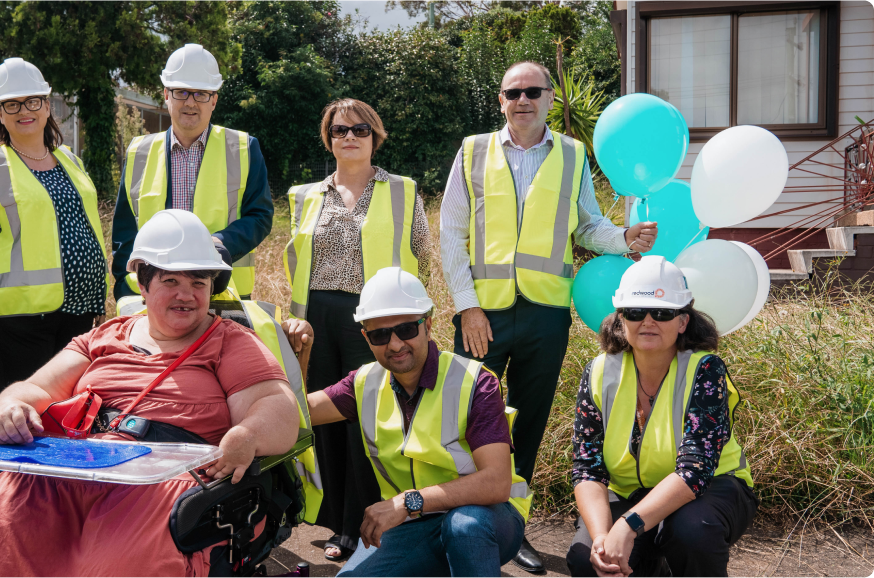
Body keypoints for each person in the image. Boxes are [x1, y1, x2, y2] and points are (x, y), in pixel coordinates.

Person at [0, 209, 300, 577]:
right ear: (142, 284)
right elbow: (36, 388)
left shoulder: (229, 342)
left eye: (199, 283)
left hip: (164, 480)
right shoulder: (104, 336)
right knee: (0, 521)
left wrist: (248, 435)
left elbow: (277, 407)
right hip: (77, 466)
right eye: (170, 281)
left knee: (116, 565)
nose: (186, 295)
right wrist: (11, 406)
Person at [438, 60, 659, 573]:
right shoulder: (472, 151)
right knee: (463, 418)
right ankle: (455, 523)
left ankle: (511, 529)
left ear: (551, 99)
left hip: (545, 314)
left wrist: (622, 238)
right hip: (482, 314)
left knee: (529, 422)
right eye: (513, 92)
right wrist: (467, 306)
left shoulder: (573, 154)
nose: (523, 100)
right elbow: (451, 232)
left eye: (533, 91)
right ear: (500, 100)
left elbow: (588, 225)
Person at [297, 267, 529, 578]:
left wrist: (408, 501)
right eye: (380, 335)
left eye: (406, 329)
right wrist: (301, 354)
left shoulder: (474, 382)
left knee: (464, 527)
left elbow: (496, 483)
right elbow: (300, 413)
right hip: (412, 524)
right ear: (366, 338)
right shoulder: (364, 383)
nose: (395, 344)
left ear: (428, 325)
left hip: (486, 518)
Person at [283, 98, 431, 561]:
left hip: (374, 322)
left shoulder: (403, 190)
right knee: (325, 418)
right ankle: (335, 523)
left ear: (375, 136)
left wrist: (411, 322)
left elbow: (423, 254)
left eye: (360, 129)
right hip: (316, 320)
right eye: (339, 129)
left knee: (367, 419)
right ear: (328, 138)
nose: (350, 136)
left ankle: (361, 523)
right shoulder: (304, 195)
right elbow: (295, 261)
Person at [566, 256, 756, 578]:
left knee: (692, 532)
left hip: (710, 489)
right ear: (621, 319)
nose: (648, 321)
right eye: (635, 312)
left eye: (663, 312)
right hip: (629, 493)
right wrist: (601, 538)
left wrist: (628, 525)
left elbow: (696, 470)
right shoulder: (598, 372)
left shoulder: (705, 370)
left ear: (682, 322)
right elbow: (587, 468)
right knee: (589, 561)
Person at [0, 57, 107, 398]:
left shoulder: (70, 159)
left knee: (71, 411)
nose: (24, 110)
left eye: (32, 101)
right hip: (20, 320)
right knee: (24, 411)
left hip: (80, 312)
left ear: (47, 105)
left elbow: (90, 229)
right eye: (12, 103)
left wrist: (98, 298)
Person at [112, 43, 272, 300]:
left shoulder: (243, 148)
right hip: (155, 296)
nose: (190, 102)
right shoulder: (139, 152)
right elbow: (125, 231)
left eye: (201, 94)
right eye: (181, 92)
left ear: (214, 100)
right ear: (166, 95)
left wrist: (219, 244)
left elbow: (260, 216)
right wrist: (124, 289)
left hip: (223, 292)